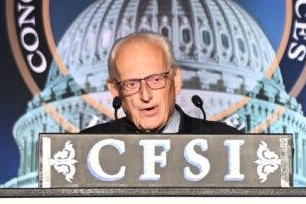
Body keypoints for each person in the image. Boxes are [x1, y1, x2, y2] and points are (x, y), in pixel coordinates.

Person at [81, 32, 241, 134]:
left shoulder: (228, 142)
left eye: (156, 79)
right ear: (115, 90)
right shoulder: (87, 146)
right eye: (131, 84)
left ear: (176, 81)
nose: (146, 95)